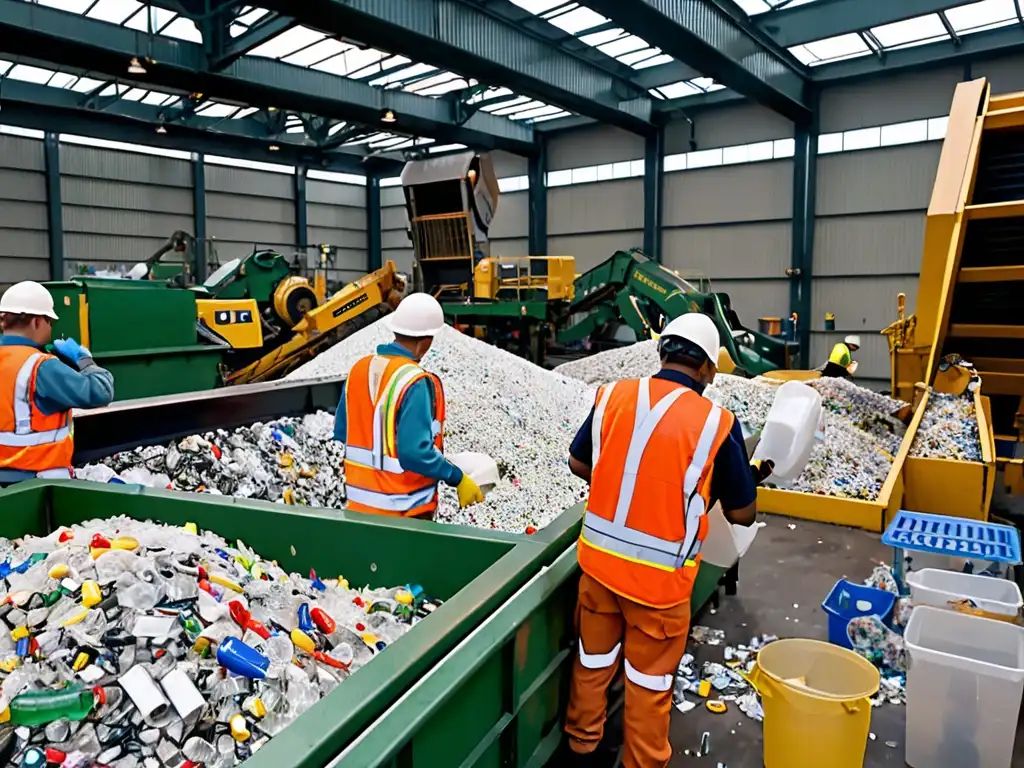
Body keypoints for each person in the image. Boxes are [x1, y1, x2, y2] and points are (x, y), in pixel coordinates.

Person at [563, 313, 762, 768]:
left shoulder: (614, 396)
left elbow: (578, 462)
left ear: (663, 352)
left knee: (592, 663)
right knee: (649, 684)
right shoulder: (716, 423)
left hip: (597, 568)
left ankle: (581, 746)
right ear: (709, 369)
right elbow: (742, 512)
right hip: (658, 586)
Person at [334, 292, 484, 518]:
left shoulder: (358, 370)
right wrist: (457, 477)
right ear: (426, 341)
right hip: (405, 515)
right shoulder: (414, 381)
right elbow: (414, 453)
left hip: (358, 510)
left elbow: (341, 433)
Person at [0, 281, 115, 486]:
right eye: (50, 323)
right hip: (35, 481)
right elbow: (101, 391)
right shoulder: (41, 366)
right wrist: (84, 360)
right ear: (37, 322)